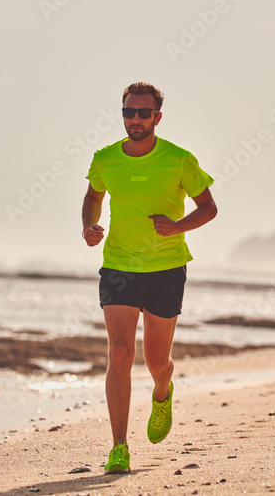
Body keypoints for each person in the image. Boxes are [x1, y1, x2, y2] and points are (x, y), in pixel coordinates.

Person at [81, 81, 218, 475]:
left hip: (166, 269)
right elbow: (94, 197)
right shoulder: (105, 159)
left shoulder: (178, 160)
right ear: (122, 114)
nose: (135, 119)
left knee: (157, 360)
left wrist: (177, 227)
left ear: (157, 117)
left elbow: (208, 207)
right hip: (119, 267)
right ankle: (119, 447)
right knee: (120, 352)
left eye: (143, 113)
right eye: (129, 112)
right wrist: (90, 227)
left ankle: (163, 391)